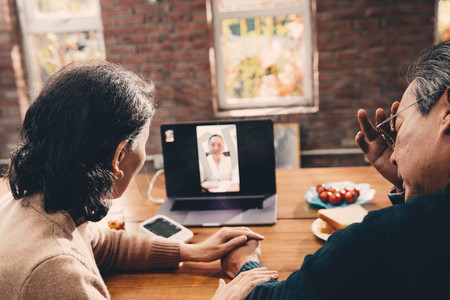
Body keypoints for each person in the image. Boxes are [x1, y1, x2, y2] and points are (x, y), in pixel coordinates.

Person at [0, 60, 278, 299]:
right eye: (145, 142)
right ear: (119, 155)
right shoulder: (56, 271)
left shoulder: (33, 194)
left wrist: (190, 252)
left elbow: (100, 245)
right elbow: (66, 263)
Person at [219, 40, 450, 299]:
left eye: (400, 124)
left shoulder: (371, 243)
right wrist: (406, 184)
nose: (394, 154)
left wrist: (244, 264)